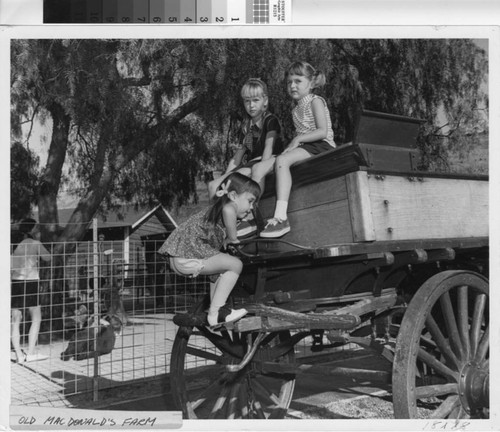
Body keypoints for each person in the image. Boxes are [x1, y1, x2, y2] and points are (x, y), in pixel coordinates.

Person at [159, 172, 260, 326]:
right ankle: (217, 311)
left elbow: (213, 187)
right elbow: (229, 211)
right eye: (250, 201)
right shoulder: (229, 206)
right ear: (233, 195)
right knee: (236, 264)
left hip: (181, 256)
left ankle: (215, 314)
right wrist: (233, 238)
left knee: (220, 271)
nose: (251, 207)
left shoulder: (217, 208)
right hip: (187, 255)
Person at [260, 61, 336, 238]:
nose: (292, 85)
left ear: (311, 83)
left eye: (297, 81)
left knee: (282, 160)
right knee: (264, 167)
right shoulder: (295, 109)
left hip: (322, 145)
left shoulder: (315, 101)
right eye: (289, 82)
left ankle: (281, 218)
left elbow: (322, 131)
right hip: (307, 146)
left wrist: (297, 140)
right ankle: (251, 215)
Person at [208, 78, 283, 236]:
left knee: (253, 171)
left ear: (265, 101)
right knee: (214, 185)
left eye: (256, 100)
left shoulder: (270, 121)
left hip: (269, 159)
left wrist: (260, 168)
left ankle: (251, 216)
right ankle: (219, 222)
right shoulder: (246, 126)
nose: (251, 105)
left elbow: (268, 147)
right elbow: (239, 155)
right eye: (247, 101)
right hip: (250, 163)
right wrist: (227, 176)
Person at [11, 218, 51, 364]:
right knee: (36, 317)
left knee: (16, 319)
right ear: (32, 229)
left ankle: (18, 355)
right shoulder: (35, 244)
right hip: (31, 282)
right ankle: (31, 352)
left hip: (15, 282)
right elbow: (48, 257)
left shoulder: (14, 244)